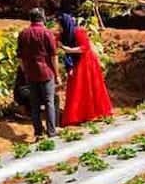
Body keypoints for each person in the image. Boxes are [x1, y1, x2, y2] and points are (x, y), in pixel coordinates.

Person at [56, 12, 113, 126]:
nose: (59, 28)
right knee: (76, 88)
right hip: (75, 62)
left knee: (86, 87)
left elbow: (85, 47)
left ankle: (91, 114)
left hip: (86, 62)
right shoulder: (63, 34)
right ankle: (78, 115)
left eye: (60, 25)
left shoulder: (79, 32)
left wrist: (67, 49)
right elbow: (53, 41)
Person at [18, 8, 60, 138]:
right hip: (46, 72)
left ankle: (38, 132)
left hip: (31, 74)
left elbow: (19, 58)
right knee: (49, 102)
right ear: (43, 18)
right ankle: (51, 131)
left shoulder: (23, 34)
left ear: (30, 19)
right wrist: (57, 74)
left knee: (34, 104)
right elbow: (53, 56)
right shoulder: (47, 33)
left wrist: (26, 71)